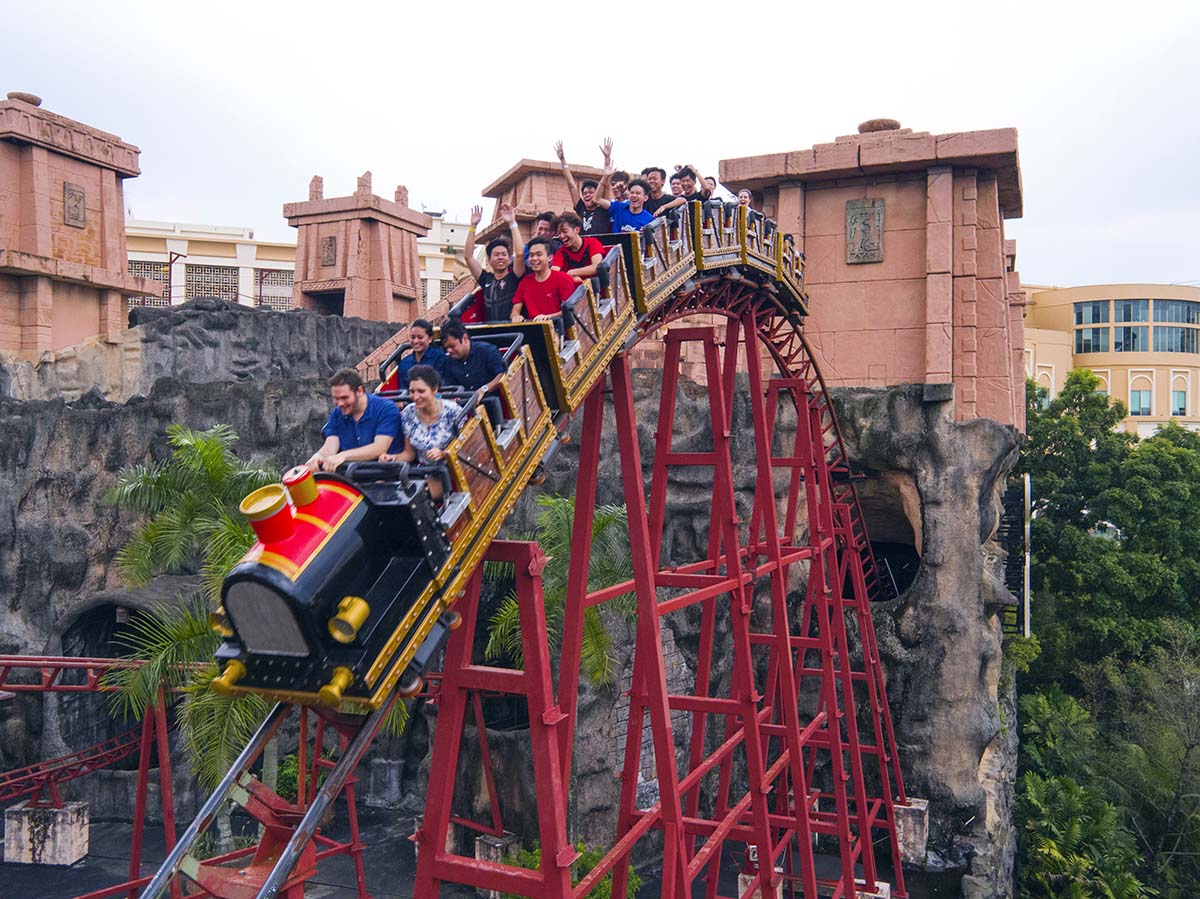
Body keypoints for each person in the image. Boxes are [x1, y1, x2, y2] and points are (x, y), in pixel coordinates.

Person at [382, 365, 461, 501]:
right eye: (412, 391)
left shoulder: (453, 412)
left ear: (434, 390)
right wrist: (392, 458)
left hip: (450, 470)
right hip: (422, 471)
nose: (415, 396)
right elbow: (410, 453)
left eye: (421, 391)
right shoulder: (408, 413)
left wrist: (444, 453)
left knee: (417, 498)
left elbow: (468, 447)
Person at [307, 368, 402, 473]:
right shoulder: (337, 414)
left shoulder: (386, 409)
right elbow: (331, 445)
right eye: (336, 398)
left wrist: (343, 456)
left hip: (385, 475)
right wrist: (319, 456)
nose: (340, 403)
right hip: (351, 476)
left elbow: (379, 448)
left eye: (344, 398)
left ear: (359, 391)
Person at [465, 202, 525, 322]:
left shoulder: (515, 276)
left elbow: (519, 254)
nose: (500, 257)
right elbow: (468, 257)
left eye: (504, 254)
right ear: (489, 260)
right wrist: (473, 226)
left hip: (513, 330)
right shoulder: (486, 279)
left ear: (509, 258)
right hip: (491, 332)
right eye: (496, 255)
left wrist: (512, 223)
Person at [441, 319, 507, 424]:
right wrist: (452, 396)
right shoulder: (449, 361)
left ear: (465, 338)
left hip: (494, 405)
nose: (449, 351)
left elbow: (502, 375)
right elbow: (450, 385)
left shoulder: (486, 350)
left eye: (452, 346)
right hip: (468, 411)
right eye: (446, 348)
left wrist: (484, 390)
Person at [555, 139, 612, 236]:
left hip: (600, 249)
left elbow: (606, 186)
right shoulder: (581, 208)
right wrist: (562, 160)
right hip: (583, 249)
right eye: (585, 193)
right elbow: (571, 185)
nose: (587, 195)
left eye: (591, 192)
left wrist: (607, 160)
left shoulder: (603, 210)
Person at [513, 237, 578, 322]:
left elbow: (571, 310)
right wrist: (516, 316)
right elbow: (515, 311)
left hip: (560, 329)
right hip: (533, 329)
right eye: (531, 255)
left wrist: (548, 317)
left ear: (550, 257)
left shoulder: (563, 279)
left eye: (539, 254)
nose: (534, 259)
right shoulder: (525, 282)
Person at [552, 213, 606, 280]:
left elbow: (597, 267)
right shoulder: (561, 252)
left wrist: (572, 273)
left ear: (577, 230)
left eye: (565, 231)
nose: (562, 236)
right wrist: (570, 278)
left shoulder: (592, 243)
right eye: (559, 233)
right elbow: (554, 273)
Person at [396, 318, 445, 383]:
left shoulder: (440, 357)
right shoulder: (404, 363)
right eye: (413, 337)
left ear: (430, 338)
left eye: (420, 337)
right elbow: (402, 389)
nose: (415, 341)